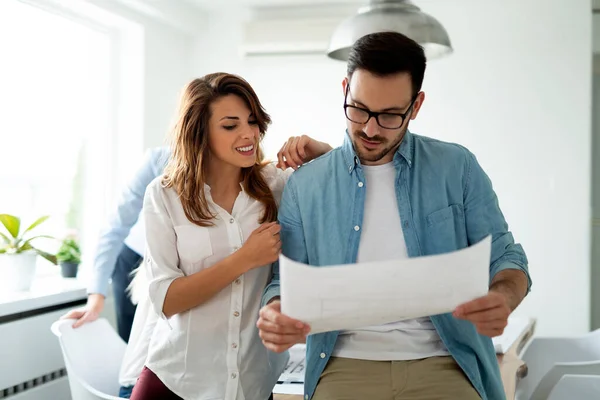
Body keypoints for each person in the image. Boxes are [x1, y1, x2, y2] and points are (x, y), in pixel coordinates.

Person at [257, 32, 531, 400]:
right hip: (344, 366)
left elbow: (506, 258)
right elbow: (283, 283)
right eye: (359, 109)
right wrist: (275, 312)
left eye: (388, 116)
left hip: (445, 363)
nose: (370, 129)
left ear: (415, 106)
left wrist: (503, 296)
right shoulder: (306, 185)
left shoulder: (457, 168)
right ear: (344, 90)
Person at [129, 72, 332, 400]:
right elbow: (166, 299)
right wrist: (245, 258)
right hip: (175, 383)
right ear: (200, 132)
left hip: (251, 385)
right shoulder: (164, 196)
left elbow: (346, 194)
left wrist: (322, 152)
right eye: (230, 125)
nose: (248, 133)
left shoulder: (276, 186)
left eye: (252, 121)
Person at [60, 146, 169, 342]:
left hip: (180, 266)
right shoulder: (159, 160)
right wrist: (95, 298)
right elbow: (115, 228)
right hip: (134, 261)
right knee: (134, 346)